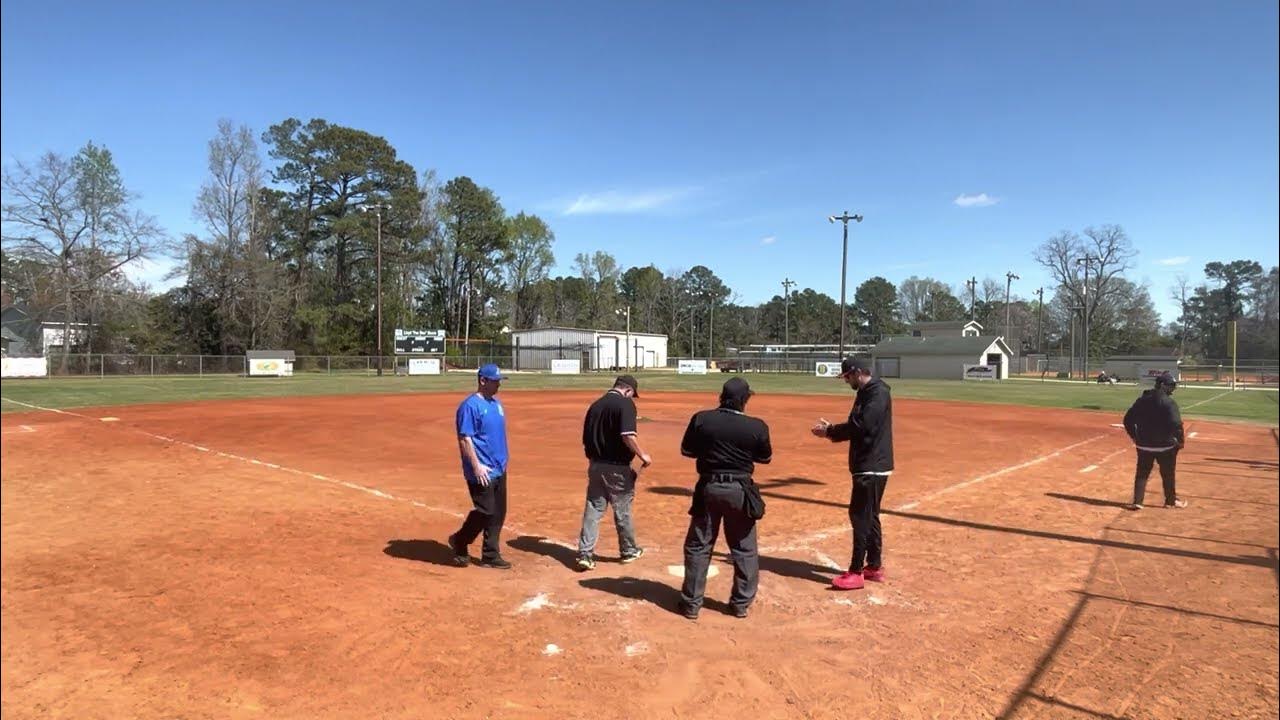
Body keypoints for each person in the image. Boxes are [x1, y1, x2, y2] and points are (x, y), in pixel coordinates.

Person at [678, 377, 772, 620]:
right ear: (744, 400)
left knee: (699, 546)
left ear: (722, 395)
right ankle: (740, 604)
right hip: (740, 490)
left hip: (708, 487)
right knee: (744, 548)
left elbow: (687, 450)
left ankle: (691, 605)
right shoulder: (757, 426)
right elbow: (764, 458)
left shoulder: (702, 418)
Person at [811, 357, 894, 591]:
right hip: (870, 462)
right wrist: (833, 431)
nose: (846, 381)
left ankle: (856, 571)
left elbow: (862, 426)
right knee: (870, 515)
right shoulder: (868, 392)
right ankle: (874, 566)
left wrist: (830, 431)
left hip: (871, 464)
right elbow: (858, 424)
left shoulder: (877, 393)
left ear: (858, 373)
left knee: (860, 516)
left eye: (847, 376)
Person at [576, 375, 653, 571]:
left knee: (593, 509)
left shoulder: (595, 405)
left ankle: (585, 553)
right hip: (617, 468)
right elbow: (627, 435)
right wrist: (642, 455)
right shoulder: (625, 405)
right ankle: (628, 550)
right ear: (628, 390)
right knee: (622, 509)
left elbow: (585, 438)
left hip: (595, 465)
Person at [447, 364, 513, 569]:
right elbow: (465, 439)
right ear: (483, 381)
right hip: (481, 470)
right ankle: (460, 540)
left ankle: (491, 555)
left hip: (499, 468)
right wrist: (476, 467)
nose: (499, 385)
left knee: (498, 513)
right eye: (495, 381)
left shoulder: (496, 404)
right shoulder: (469, 406)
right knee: (485, 511)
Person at [1123, 372, 1188, 510]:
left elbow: (1127, 420)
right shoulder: (1169, 402)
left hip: (1144, 445)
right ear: (1163, 385)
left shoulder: (1142, 400)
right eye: (1171, 385)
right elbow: (1176, 424)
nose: (1173, 388)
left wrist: (1134, 436)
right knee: (1168, 474)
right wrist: (1179, 441)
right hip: (1165, 446)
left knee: (1142, 473)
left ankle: (1138, 501)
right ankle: (1170, 501)